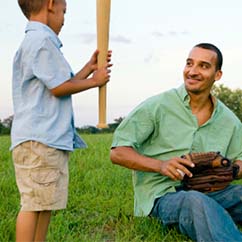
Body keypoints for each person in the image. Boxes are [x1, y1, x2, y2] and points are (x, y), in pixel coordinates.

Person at [110, 43, 242, 241]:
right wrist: (161, 165)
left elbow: (240, 160)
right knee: (195, 202)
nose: (193, 71)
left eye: (203, 66)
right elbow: (118, 152)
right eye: (189, 63)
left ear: (217, 75)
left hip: (212, 193)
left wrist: (230, 171)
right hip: (164, 195)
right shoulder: (158, 106)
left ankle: (215, 218)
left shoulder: (229, 120)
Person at [11, 0, 112, 241]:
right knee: (33, 204)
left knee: (45, 202)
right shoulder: (42, 41)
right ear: (50, 5)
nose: (64, 18)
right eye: (64, 11)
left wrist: (88, 69)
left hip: (44, 139)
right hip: (39, 139)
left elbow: (61, 82)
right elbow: (59, 87)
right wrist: (95, 81)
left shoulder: (39, 42)